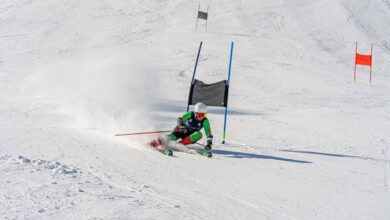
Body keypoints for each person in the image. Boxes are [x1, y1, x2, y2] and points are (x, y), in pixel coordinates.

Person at [148, 102, 213, 150]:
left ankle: (180, 144)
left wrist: (209, 142)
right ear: (195, 113)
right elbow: (180, 119)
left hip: (190, 135)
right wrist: (181, 125)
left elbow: (208, 133)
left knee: (199, 134)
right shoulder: (191, 114)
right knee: (171, 137)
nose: (201, 117)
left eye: (203, 115)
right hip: (182, 130)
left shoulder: (205, 121)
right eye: (199, 114)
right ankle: (155, 142)